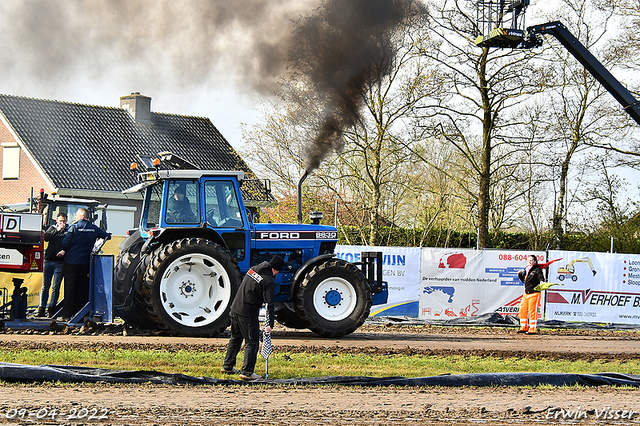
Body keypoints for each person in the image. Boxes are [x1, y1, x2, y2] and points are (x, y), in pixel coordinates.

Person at [221, 255, 285, 381]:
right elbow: (269, 305)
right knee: (252, 342)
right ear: (276, 270)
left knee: (235, 338)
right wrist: (269, 325)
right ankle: (247, 372)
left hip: (234, 308)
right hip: (248, 313)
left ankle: (228, 366)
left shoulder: (254, 269)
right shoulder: (269, 281)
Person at [60, 208, 110, 321]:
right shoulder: (94, 228)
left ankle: (66, 315)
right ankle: (79, 313)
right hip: (85, 263)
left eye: (77, 215)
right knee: (81, 288)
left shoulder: (74, 227)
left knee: (70, 288)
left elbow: (65, 243)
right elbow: (107, 236)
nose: (75, 217)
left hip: (71, 262)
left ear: (82, 216)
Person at [36, 212, 68, 318]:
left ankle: (52, 309)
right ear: (57, 221)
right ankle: (41, 308)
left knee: (56, 287)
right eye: (60, 221)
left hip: (60, 262)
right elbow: (46, 238)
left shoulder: (69, 231)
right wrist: (57, 230)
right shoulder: (52, 228)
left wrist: (64, 251)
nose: (62, 223)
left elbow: (71, 243)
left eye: (64, 221)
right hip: (48, 261)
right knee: (45, 286)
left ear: (66, 221)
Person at [517, 254, 545, 335]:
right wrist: (519, 275)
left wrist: (542, 282)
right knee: (522, 309)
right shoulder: (526, 269)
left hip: (534, 293)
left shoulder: (537, 269)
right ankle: (523, 327)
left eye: (531, 260)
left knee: (532, 310)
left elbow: (541, 277)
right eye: (528, 260)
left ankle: (532, 328)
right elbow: (525, 282)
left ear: (535, 261)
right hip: (526, 293)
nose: (530, 262)